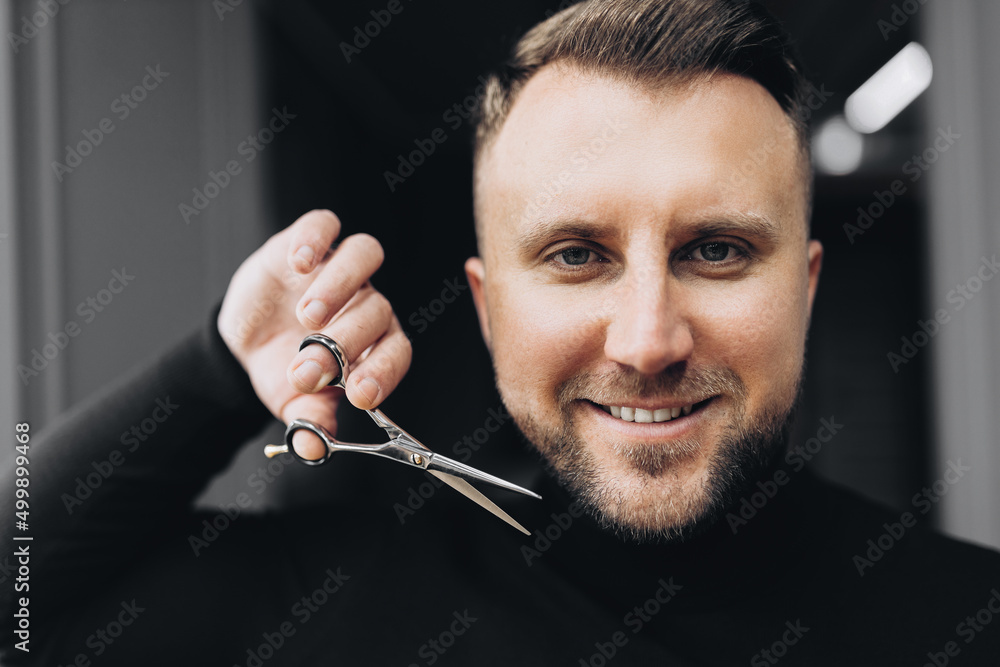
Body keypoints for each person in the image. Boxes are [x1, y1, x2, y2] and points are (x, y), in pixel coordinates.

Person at [3, 1, 998, 664]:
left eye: (718, 251)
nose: (648, 340)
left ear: (805, 286)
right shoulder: (326, 606)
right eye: (575, 255)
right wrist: (216, 370)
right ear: (486, 306)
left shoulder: (962, 616)